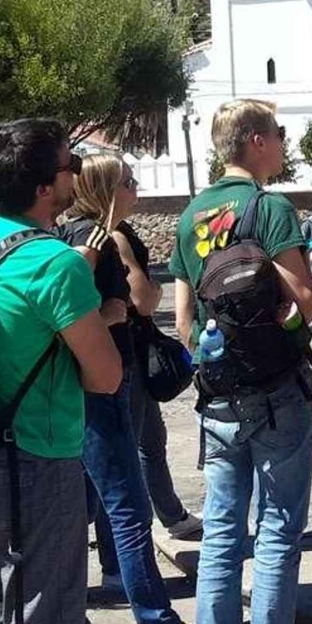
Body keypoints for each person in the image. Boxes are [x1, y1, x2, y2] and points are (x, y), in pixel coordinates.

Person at [0, 119, 123, 624]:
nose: (77, 173)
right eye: (70, 165)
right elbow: (105, 377)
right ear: (46, 187)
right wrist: (103, 318)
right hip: (36, 457)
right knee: (38, 619)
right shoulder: (56, 263)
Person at [171, 99, 312, 624]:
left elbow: (182, 321)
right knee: (279, 532)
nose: (284, 144)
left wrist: (213, 356)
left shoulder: (189, 217)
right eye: (279, 134)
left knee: (222, 535)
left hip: (220, 397)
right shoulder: (270, 208)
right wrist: (281, 333)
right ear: (256, 142)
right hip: (279, 394)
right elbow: (304, 300)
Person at [56, 154, 202, 624]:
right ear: (103, 189)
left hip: (73, 392)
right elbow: (130, 304)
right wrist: (110, 310)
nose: (136, 187)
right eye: (128, 181)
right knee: (129, 510)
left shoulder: (65, 236)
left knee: (79, 510)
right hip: (103, 384)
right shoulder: (95, 241)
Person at [119, 215, 204, 542]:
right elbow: (145, 298)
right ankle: (128, 531)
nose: (134, 187)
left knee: (151, 440)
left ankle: (170, 513)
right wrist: (152, 287)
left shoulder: (117, 229)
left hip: (136, 348)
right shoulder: (113, 235)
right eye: (126, 182)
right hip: (128, 354)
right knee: (133, 444)